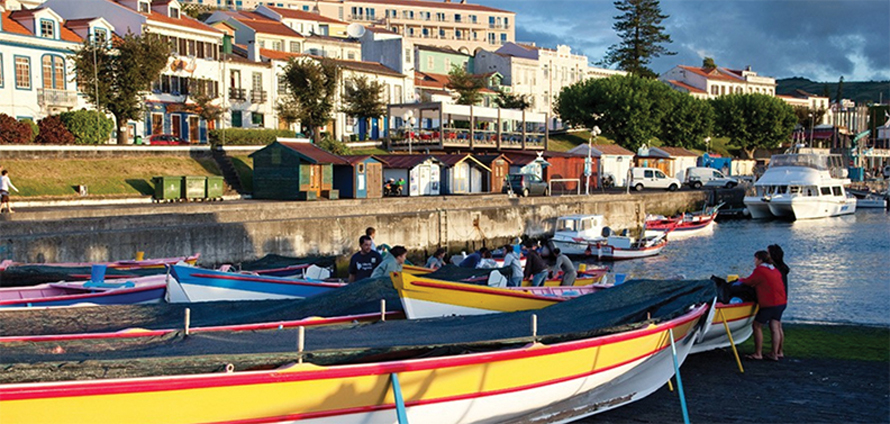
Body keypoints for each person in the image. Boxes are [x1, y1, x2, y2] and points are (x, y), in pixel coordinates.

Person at [738, 250, 787, 361]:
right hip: (781, 302)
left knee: (757, 325)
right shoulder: (774, 269)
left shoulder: (761, 270)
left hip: (769, 303)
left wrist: (739, 280)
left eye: (755, 259)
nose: (754, 261)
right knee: (775, 327)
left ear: (760, 259)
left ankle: (758, 353)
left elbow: (750, 281)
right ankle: (777, 353)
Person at [768, 244, 790, 359]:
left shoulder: (775, 270)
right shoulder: (783, 268)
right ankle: (779, 351)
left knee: (774, 326)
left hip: (776, 300)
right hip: (783, 299)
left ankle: (774, 353)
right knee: (778, 325)